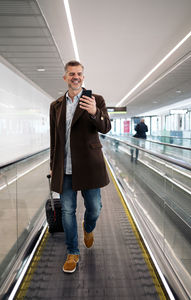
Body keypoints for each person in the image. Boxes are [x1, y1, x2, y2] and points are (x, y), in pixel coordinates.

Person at [49, 60, 111, 273]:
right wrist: (52, 165)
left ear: (83, 77)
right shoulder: (56, 105)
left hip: (89, 166)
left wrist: (95, 112)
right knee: (67, 211)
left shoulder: (97, 99)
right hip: (64, 168)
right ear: (65, 77)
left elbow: (106, 128)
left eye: (79, 74)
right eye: (71, 74)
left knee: (94, 208)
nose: (75, 77)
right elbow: (54, 139)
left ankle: (88, 227)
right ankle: (72, 252)